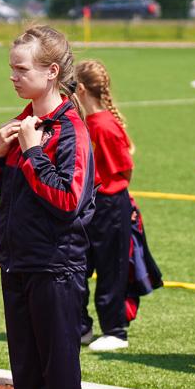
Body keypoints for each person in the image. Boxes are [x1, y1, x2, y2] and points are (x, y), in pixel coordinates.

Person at [0, 25, 95, 389]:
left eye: (22, 68)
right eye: (11, 67)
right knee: (27, 375)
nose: (13, 75)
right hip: (18, 264)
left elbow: (67, 202)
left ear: (51, 72)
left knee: (58, 376)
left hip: (56, 269)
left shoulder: (71, 130)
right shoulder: (21, 121)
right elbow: (6, 194)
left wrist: (30, 153)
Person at [75, 59, 136, 352]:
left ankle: (115, 330)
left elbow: (124, 170)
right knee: (80, 266)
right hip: (90, 204)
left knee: (111, 268)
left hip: (110, 204)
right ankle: (82, 327)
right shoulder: (88, 122)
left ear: (81, 88)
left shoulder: (104, 126)